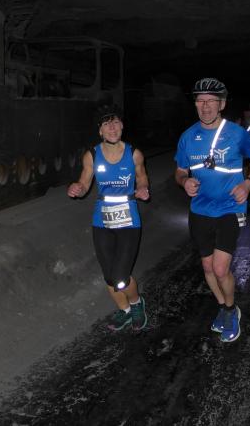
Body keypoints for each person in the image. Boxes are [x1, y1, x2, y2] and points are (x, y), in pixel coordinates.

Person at [174, 78, 250, 343]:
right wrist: (184, 181)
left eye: (211, 101)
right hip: (200, 210)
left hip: (230, 208)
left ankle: (231, 309)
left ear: (222, 104)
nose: (205, 107)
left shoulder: (236, 133)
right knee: (207, 266)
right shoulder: (187, 137)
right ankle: (223, 307)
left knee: (220, 268)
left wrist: (248, 182)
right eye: (200, 101)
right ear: (195, 104)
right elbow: (180, 170)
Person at [67, 105, 151, 331]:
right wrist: (77, 188)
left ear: (122, 125)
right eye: (106, 124)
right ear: (100, 130)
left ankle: (136, 303)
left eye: (115, 123)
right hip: (102, 220)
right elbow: (84, 183)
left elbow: (142, 178)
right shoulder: (92, 155)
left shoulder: (134, 153)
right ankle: (125, 311)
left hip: (129, 219)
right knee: (109, 277)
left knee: (120, 275)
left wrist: (142, 189)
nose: (112, 128)